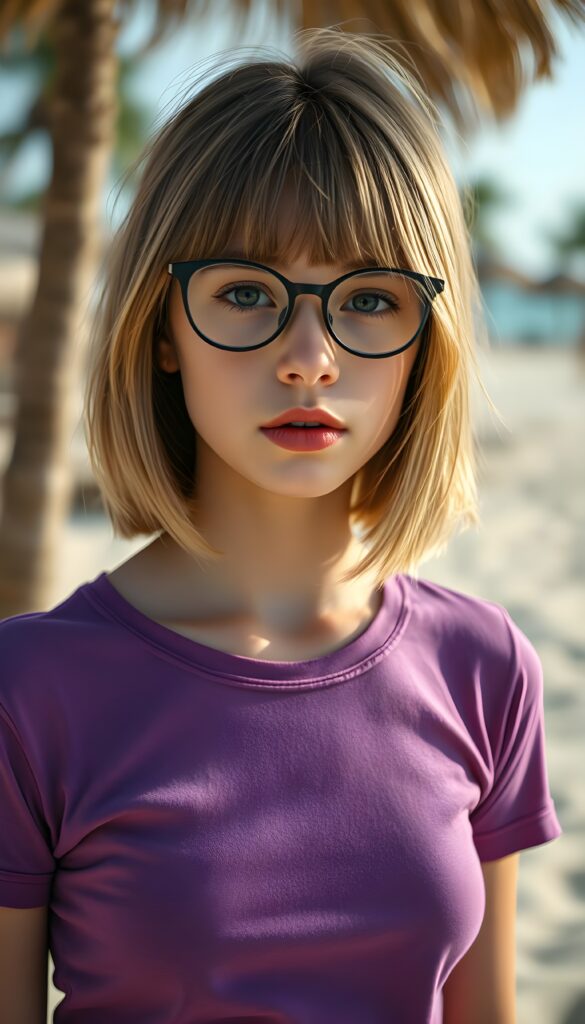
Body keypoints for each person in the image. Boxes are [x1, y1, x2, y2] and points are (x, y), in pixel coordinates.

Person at [0, 27, 562, 1024]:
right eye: (248, 293)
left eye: (371, 299)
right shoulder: (29, 692)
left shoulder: (486, 666)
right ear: (161, 326)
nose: (310, 357)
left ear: (424, 345)